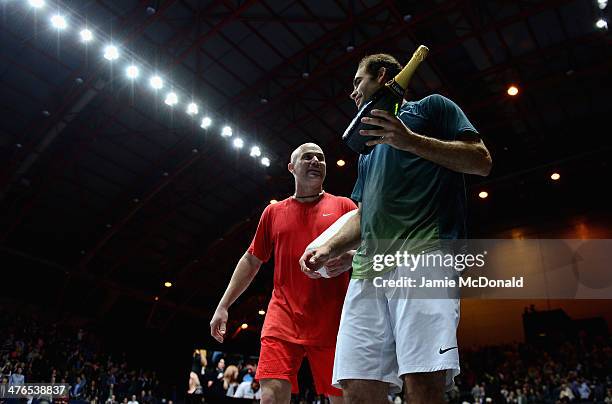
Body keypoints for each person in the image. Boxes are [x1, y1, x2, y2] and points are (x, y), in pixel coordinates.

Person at [300, 53, 492, 404]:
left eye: (358, 81)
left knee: (422, 385)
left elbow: (480, 161)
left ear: (383, 76)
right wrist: (330, 247)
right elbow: (364, 214)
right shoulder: (368, 150)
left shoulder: (433, 108)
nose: (352, 92)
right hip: (367, 273)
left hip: (425, 259)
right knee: (356, 388)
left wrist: (410, 141)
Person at [210, 143, 357, 404]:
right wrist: (223, 305)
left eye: (321, 158)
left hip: (333, 322)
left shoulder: (345, 207)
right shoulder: (273, 212)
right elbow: (251, 260)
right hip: (283, 319)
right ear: (292, 168)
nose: (315, 161)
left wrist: (350, 258)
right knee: (270, 398)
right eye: (307, 157)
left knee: (343, 400)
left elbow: (375, 250)